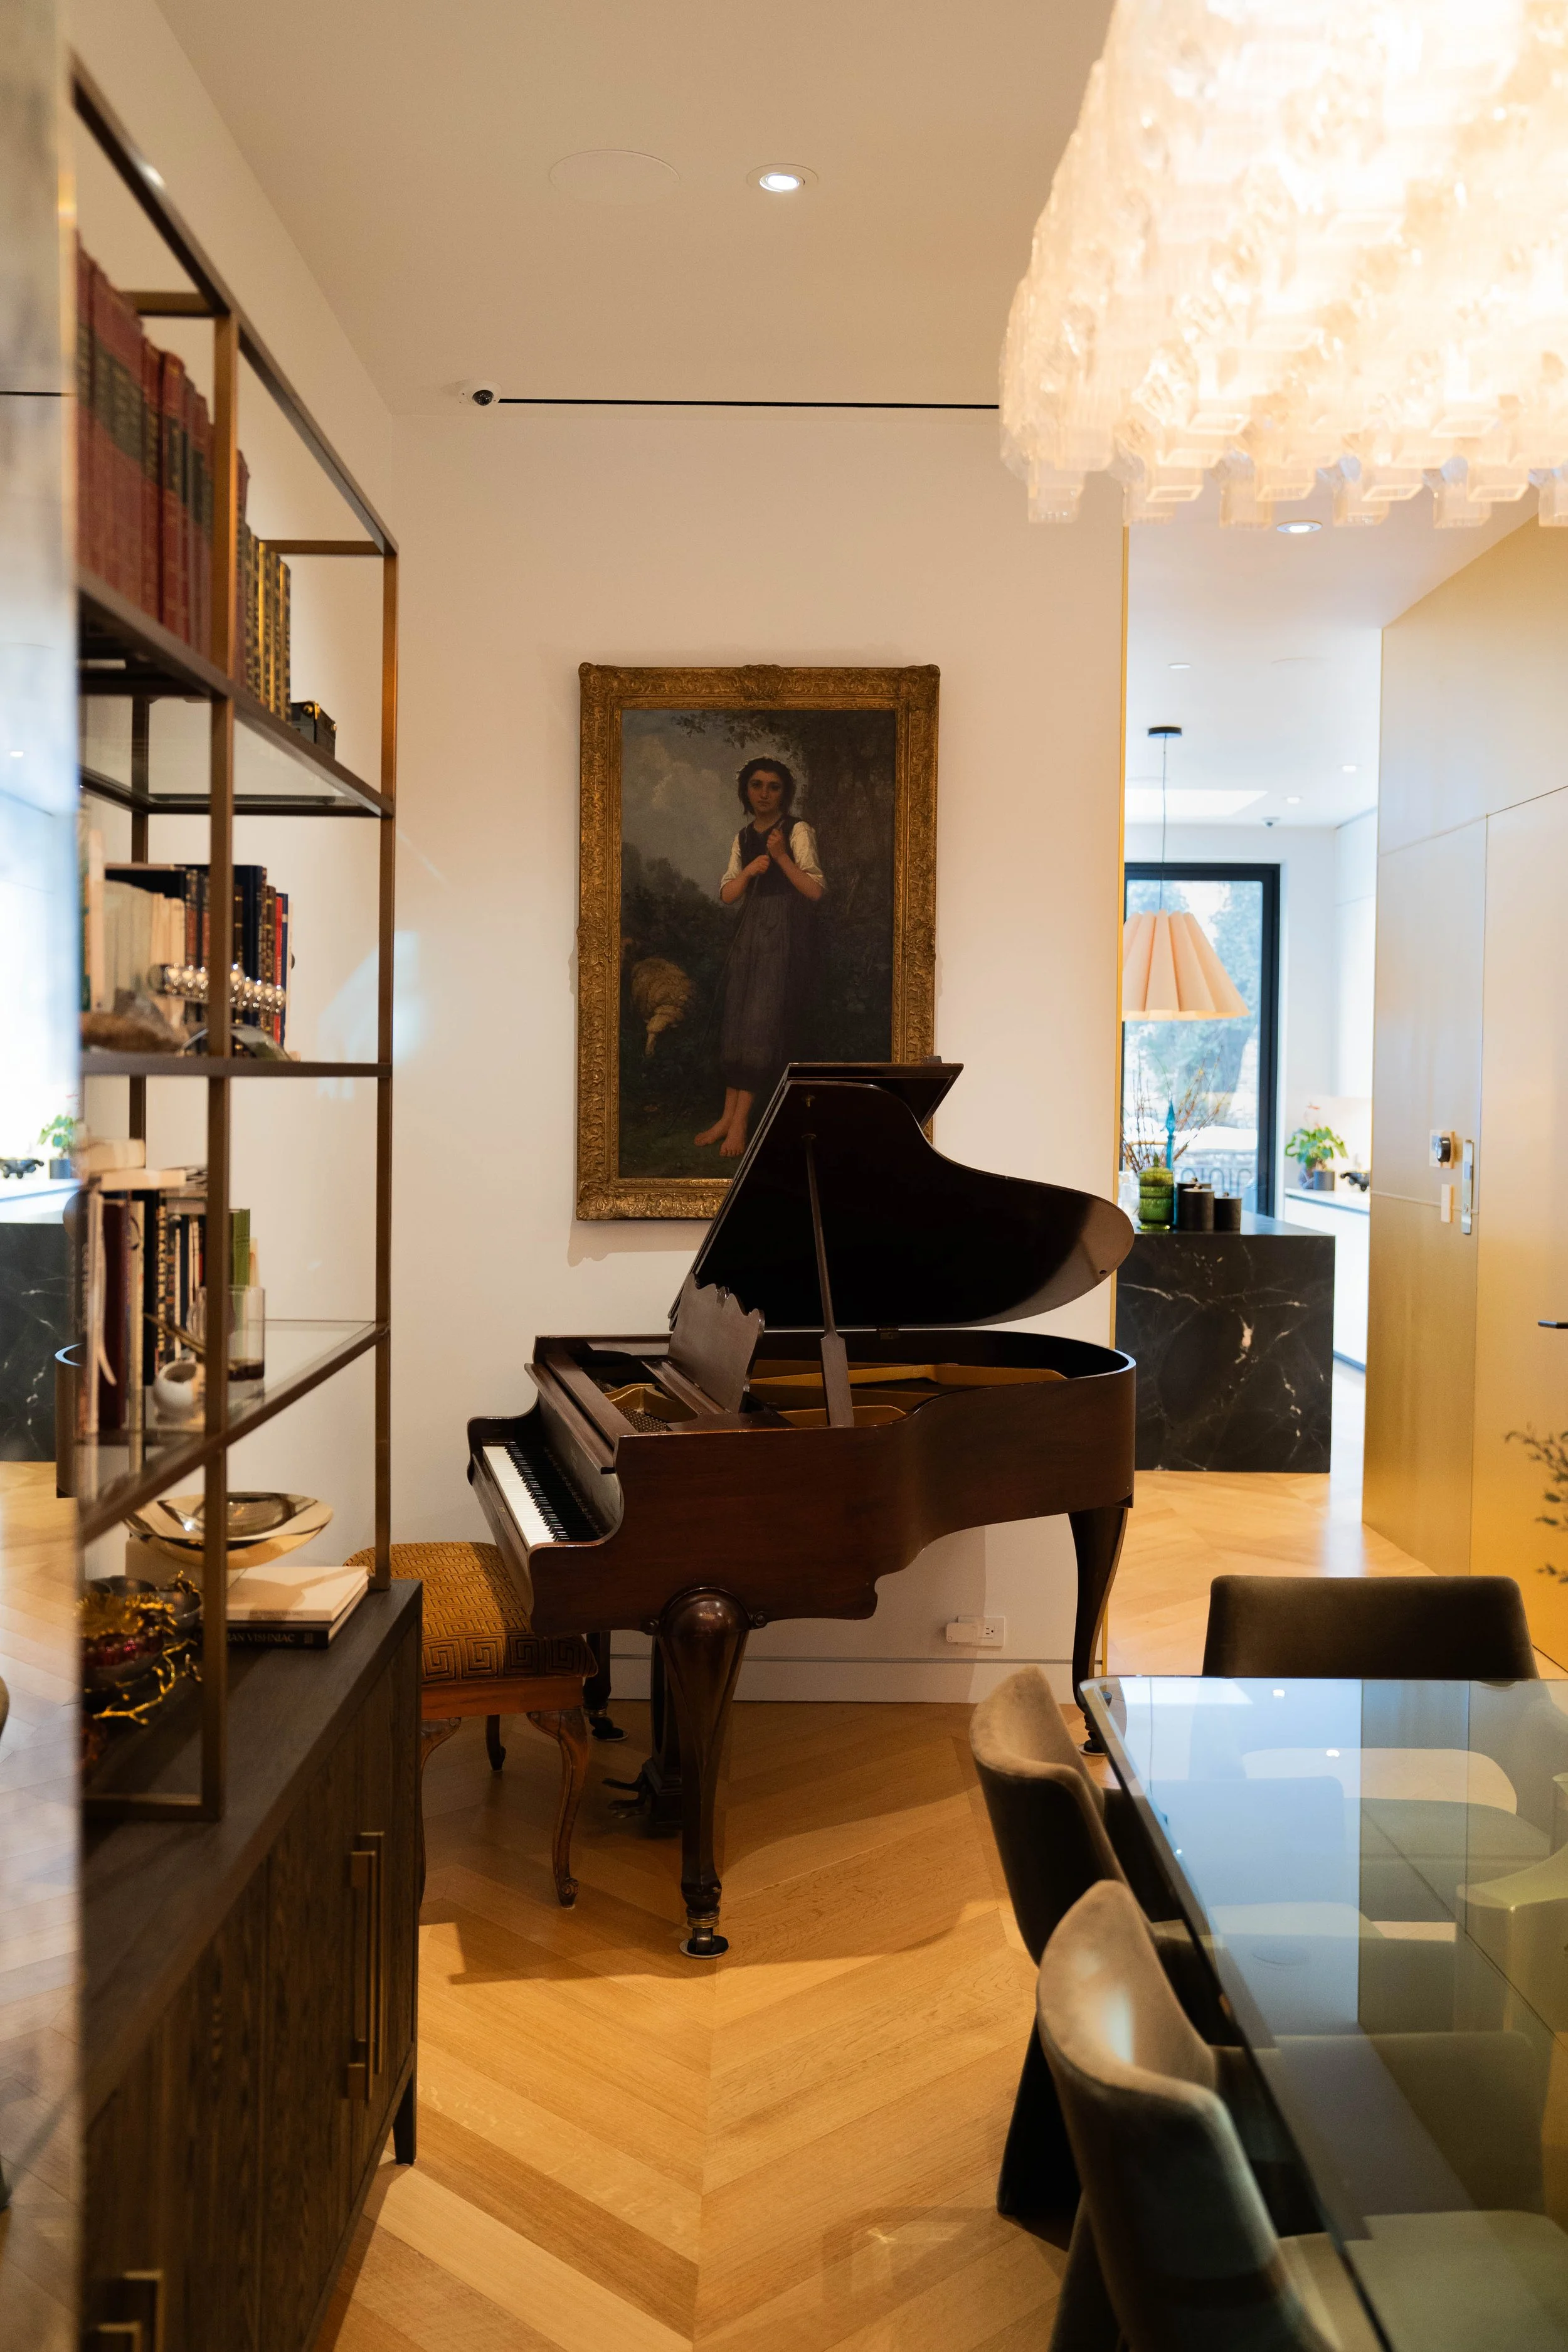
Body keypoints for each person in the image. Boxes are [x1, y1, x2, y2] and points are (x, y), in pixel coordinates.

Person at [694, 757, 825, 1157]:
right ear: (746, 791)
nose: (764, 794)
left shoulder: (797, 830)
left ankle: (740, 1125)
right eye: (757, 785)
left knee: (759, 1023)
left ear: (784, 792)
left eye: (773, 787)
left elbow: (816, 891)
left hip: (783, 935)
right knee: (736, 1019)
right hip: (750, 933)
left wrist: (783, 858)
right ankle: (725, 1117)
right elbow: (727, 895)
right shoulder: (742, 837)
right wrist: (750, 871)